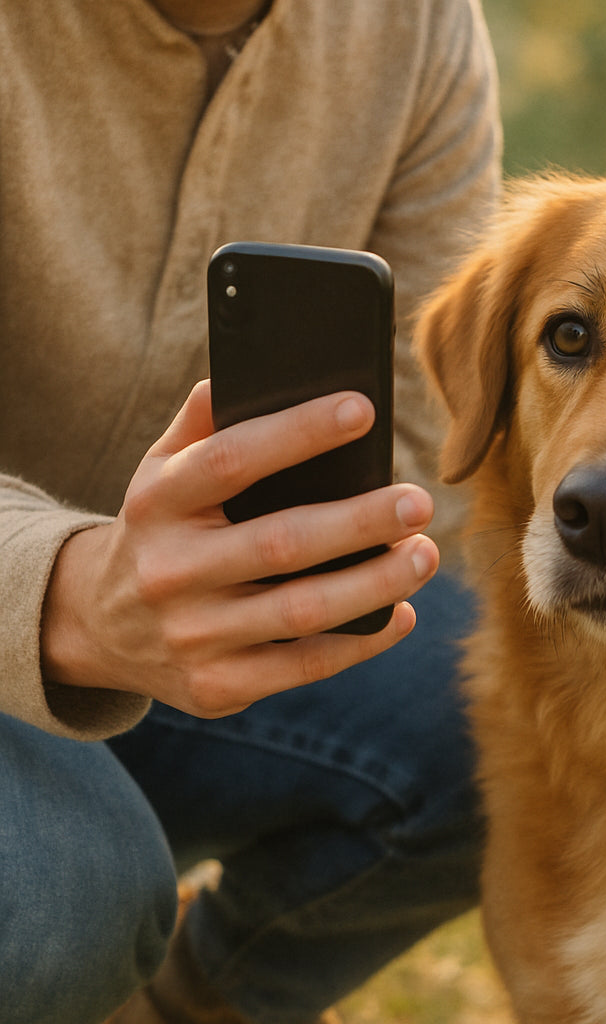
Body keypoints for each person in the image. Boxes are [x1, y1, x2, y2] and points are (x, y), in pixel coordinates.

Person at [0, 1, 501, 1022]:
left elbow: (429, 447)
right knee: (61, 901)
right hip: (48, 609)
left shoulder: (416, 31)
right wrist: (76, 593)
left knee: (512, 725)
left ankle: (181, 1006)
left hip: (189, 638)